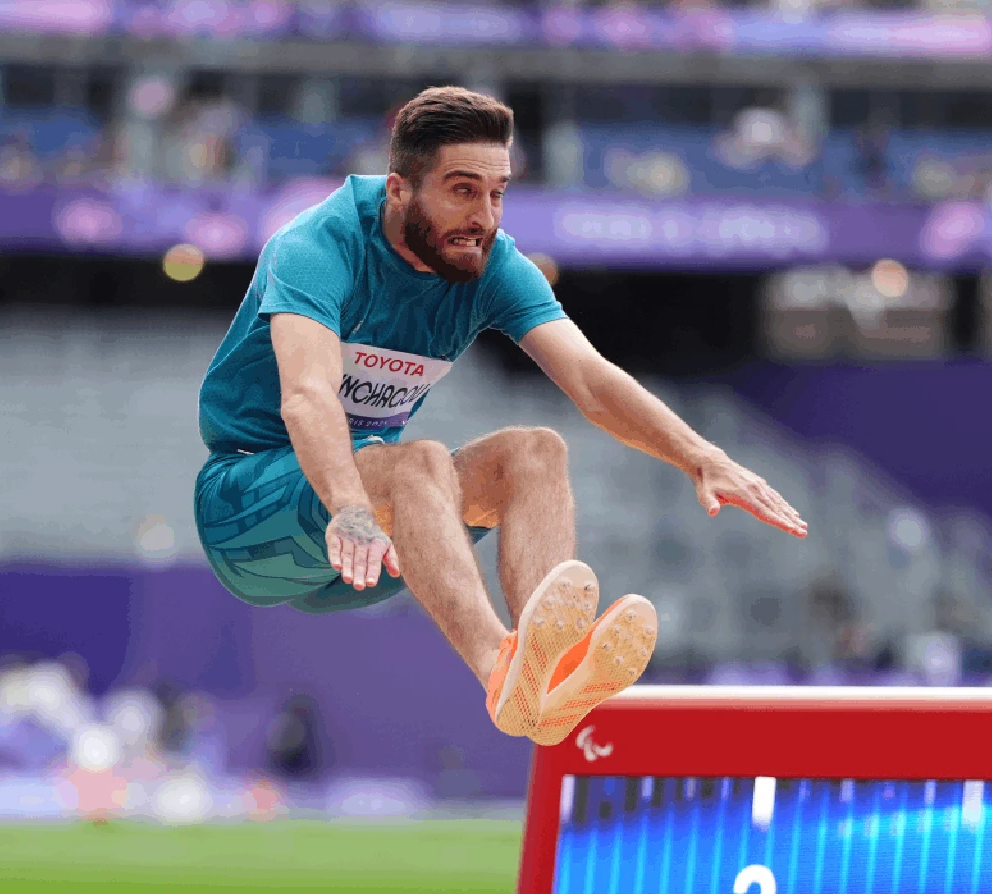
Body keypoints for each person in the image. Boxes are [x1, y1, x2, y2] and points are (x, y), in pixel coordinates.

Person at [194, 87, 806, 747]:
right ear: (399, 190)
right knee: (422, 460)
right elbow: (308, 396)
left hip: (378, 545)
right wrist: (346, 504)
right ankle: (501, 669)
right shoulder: (319, 243)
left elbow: (592, 380)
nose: (483, 216)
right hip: (251, 509)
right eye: (462, 191)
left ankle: (550, 673)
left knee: (536, 451)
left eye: (497, 193)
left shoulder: (493, 264)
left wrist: (701, 457)